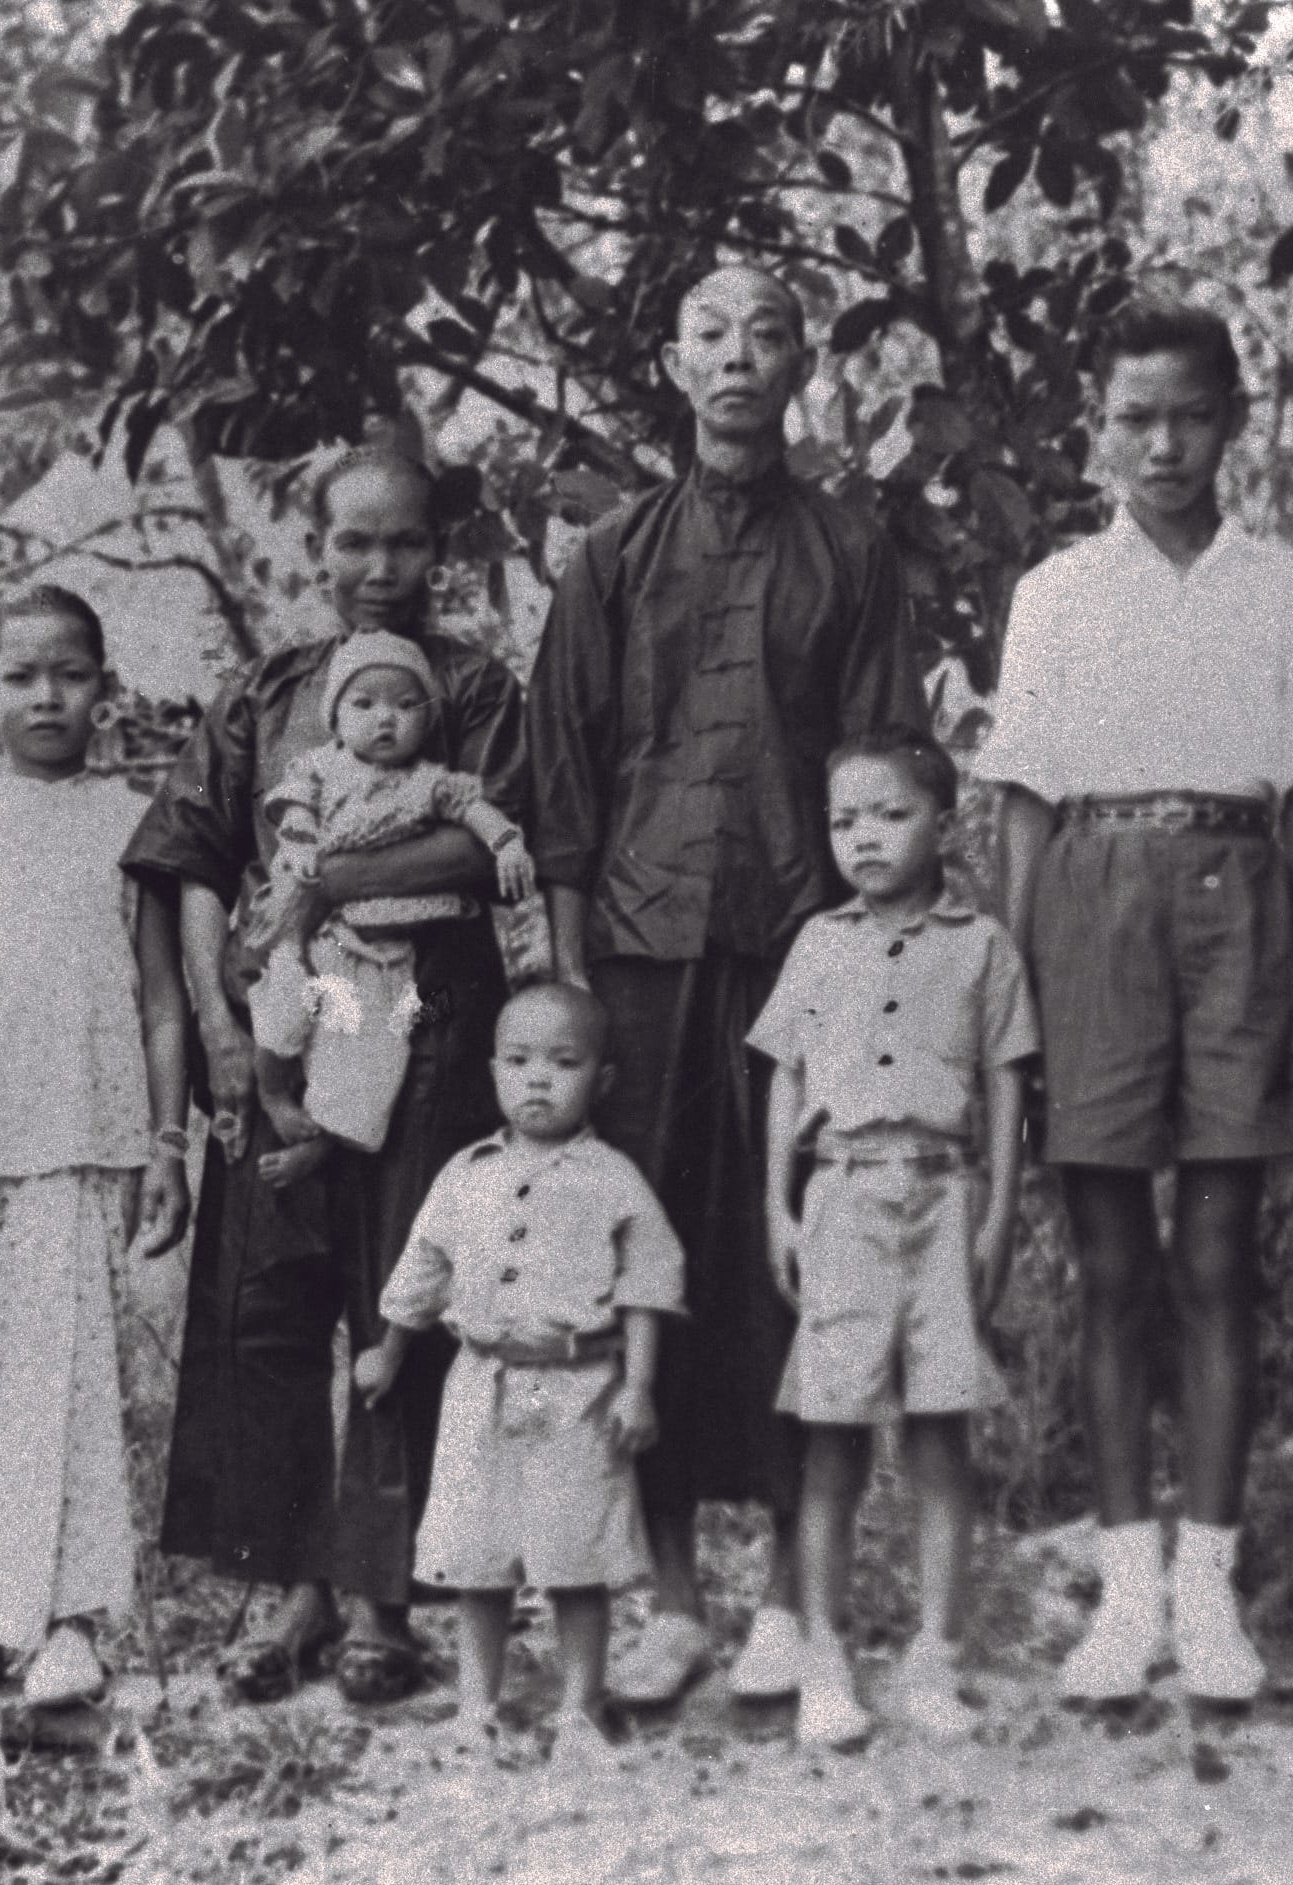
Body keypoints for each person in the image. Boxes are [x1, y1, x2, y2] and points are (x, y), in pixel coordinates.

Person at [529, 264, 920, 1705]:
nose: (736, 358)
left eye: (765, 333)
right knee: (649, 1268)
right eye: (709, 333)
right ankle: (673, 1597)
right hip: (635, 961)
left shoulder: (848, 553)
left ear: (801, 359)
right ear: (672, 362)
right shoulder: (615, 556)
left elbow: (884, 767)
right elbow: (563, 768)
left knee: (793, 1267)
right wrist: (567, 967)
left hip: (799, 956)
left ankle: (790, 1608)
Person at [981, 301, 1293, 1705]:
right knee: (1110, 1268)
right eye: (1134, 416)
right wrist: (1005, 992)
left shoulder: (1283, 589)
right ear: (1097, 428)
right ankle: (1120, 1585)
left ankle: (1207, 1588)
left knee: (1213, 1258)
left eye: (1187, 414)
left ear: (1232, 422)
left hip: (1237, 903)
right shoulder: (1055, 591)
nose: (1161, 441)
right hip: (1089, 902)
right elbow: (1018, 810)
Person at [125, 447, 527, 1708]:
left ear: (438, 553)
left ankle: (382, 1597)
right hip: (285, 1026)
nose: (376, 569)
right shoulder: (266, 691)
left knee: (398, 1307)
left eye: (403, 543)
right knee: (269, 1308)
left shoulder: (470, 689)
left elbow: (483, 851)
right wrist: (222, 1027)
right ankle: (288, 1586)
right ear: (316, 549)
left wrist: (318, 885)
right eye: (352, 543)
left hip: (434, 1028)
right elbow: (193, 860)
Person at [0, 586, 194, 1711]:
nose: (46, 694)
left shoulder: (132, 820)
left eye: (69, 673)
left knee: (69, 1376)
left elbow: (164, 999)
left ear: (103, 689)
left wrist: (166, 1141)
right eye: (21, 675)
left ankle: (69, 1622)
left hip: (85, 1133)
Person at [752, 728, 1036, 1748]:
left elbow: (1006, 1083)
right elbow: (783, 1075)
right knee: (829, 1438)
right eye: (842, 820)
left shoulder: (982, 946)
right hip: (838, 1199)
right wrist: (775, 1208)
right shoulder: (818, 943)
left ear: (943, 823)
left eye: (889, 814)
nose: (863, 836)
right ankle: (823, 1655)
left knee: (936, 1436)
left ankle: (934, 1653)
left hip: (939, 1194)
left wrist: (997, 1210)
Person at [353, 983, 682, 1759]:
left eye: (563, 1063)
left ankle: (579, 1708)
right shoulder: (465, 1174)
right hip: (481, 1382)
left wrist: (637, 1385)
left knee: (577, 1554)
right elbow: (423, 1266)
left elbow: (646, 1285)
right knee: (478, 1553)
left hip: (579, 1387)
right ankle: (477, 1706)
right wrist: (389, 1349)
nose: (538, 1078)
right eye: (520, 1060)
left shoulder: (611, 1179)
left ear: (600, 1079)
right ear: (494, 1069)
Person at [243, 629, 535, 1179]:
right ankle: (274, 1094)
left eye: (406, 706)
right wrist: (302, 840)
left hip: (384, 951)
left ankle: (325, 1141)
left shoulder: (428, 783)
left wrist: (506, 842)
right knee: (282, 1011)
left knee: (373, 1052)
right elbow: (296, 809)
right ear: (335, 715)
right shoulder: (320, 767)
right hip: (311, 932)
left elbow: (475, 810)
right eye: (365, 703)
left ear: (426, 720)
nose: (385, 718)